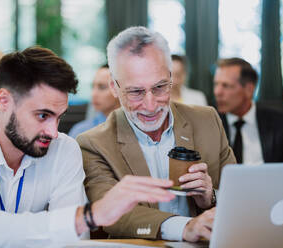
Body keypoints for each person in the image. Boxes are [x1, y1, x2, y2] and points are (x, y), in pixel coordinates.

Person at [0, 46, 176, 247]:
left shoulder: (64, 149)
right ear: (4, 100)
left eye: (59, 117)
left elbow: (71, 242)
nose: (54, 132)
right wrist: (90, 214)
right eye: (42, 115)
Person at [77, 27, 235, 242]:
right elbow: (115, 216)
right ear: (114, 87)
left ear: (171, 77)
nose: (150, 105)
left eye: (160, 87)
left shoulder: (207, 120)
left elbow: (238, 198)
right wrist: (185, 227)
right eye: (136, 92)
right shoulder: (93, 144)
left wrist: (210, 197)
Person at [213, 57, 283, 164]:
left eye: (226, 85)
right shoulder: (210, 122)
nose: (217, 92)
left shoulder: (281, 124)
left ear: (249, 90)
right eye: (216, 84)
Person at [69, 64, 120, 138]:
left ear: (120, 90)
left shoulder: (137, 129)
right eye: (93, 86)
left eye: (102, 87)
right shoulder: (81, 132)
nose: (94, 94)